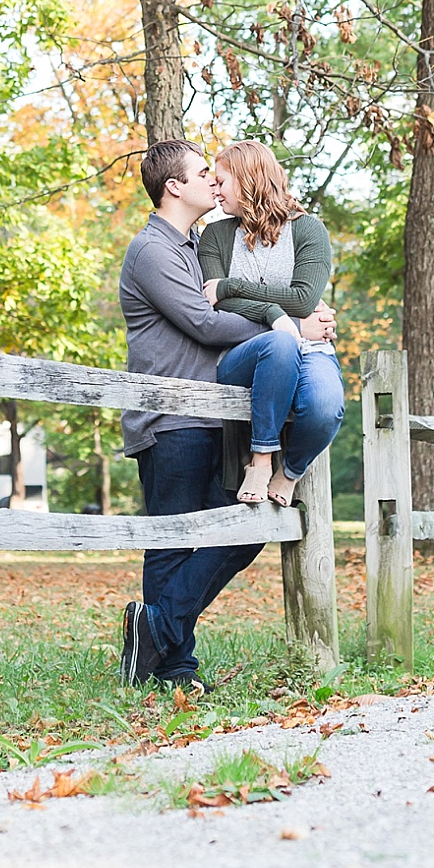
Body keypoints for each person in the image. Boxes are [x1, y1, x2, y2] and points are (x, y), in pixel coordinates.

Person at [117, 139, 333, 689]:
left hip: (214, 413)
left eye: (217, 175)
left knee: (240, 531)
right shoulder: (154, 251)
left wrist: (280, 314)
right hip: (171, 414)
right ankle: (175, 669)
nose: (213, 182)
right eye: (201, 174)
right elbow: (205, 323)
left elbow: (234, 302)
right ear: (175, 187)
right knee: (173, 541)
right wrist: (289, 325)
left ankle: (157, 631)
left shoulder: (195, 245)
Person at [198, 141, 345, 508]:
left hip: (311, 347)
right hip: (243, 355)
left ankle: (290, 471)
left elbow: (303, 300)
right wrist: (276, 315)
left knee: (325, 407)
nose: (214, 190)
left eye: (221, 181)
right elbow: (215, 304)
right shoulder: (215, 236)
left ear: (249, 179)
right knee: (280, 344)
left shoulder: (309, 231)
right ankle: (260, 459)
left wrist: (232, 286)